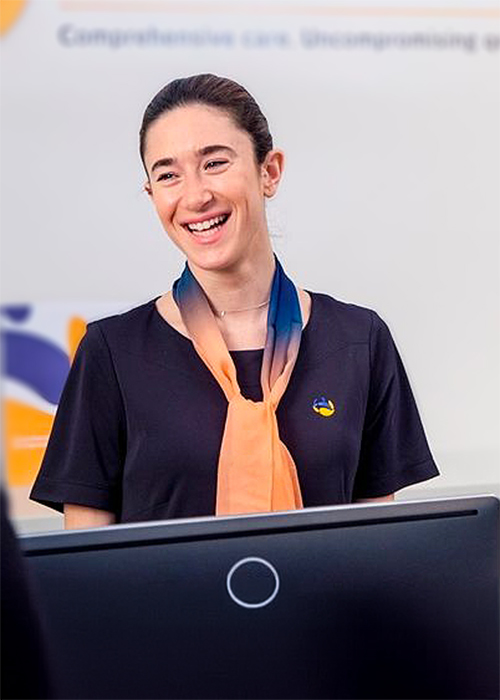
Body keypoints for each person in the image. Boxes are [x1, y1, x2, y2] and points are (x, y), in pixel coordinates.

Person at [30, 74, 439, 529]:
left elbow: (376, 551)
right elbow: (88, 573)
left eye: (215, 163)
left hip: (319, 604)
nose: (196, 195)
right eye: (168, 175)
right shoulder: (111, 353)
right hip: (165, 606)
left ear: (270, 171)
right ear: (152, 194)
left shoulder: (359, 341)